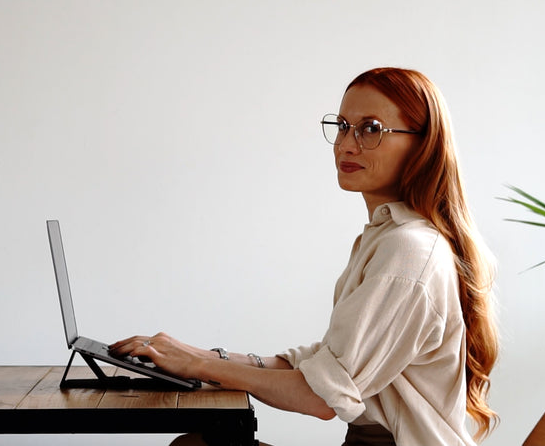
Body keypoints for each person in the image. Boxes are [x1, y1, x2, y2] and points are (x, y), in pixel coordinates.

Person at [109, 67, 499, 446]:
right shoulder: (388, 236)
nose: (346, 144)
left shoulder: (409, 250)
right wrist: (196, 354)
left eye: (370, 129)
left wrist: (198, 367)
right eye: (342, 126)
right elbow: (327, 362)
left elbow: (320, 396)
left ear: (422, 145)